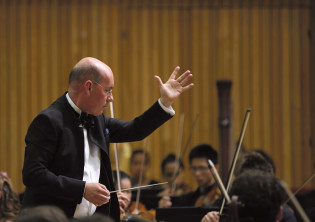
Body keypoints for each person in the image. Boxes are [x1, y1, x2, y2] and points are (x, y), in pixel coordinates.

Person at [21, 57, 194, 222]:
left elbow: (134, 130)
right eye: (108, 90)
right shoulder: (49, 121)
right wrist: (82, 189)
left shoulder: (96, 118)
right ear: (88, 87)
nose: (111, 98)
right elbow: (33, 174)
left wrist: (164, 103)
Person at [159, 144, 221, 208]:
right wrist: (163, 208)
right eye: (194, 168)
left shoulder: (222, 198)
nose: (197, 173)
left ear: (215, 168)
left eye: (202, 168)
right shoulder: (187, 199)